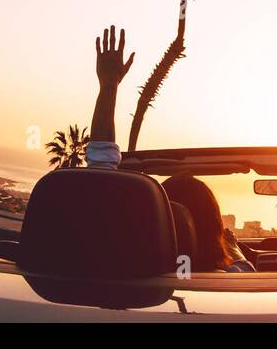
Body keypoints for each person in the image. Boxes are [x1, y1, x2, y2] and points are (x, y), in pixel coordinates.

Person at [83, 25, 254, 273]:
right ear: (213, 230)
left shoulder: (121, 269)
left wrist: (109, 86)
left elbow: (100, 172)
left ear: (155, 220)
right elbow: (244, 267)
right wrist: (233, 249)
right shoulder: (233, 283)